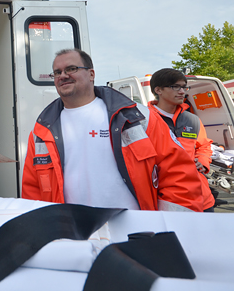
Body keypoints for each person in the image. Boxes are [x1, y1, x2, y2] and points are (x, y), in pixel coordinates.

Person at [21, 49, 203, 212]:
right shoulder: (41, 131)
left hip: (135, 232)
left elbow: (178, 173)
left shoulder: (138, 117)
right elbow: (33, 189)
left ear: (91, 74)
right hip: (72, 232)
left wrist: (170, 226)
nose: (63, 75)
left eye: (71, 69)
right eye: (57, 72)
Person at [149, 68, 216, 212]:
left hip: (203, 199)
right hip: (167, 200)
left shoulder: (192, 120)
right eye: (175, 87)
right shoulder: (145, 120)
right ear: (158, 90)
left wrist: (202, 162)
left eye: (184, 87)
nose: (182, 91)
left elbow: (204, 146)